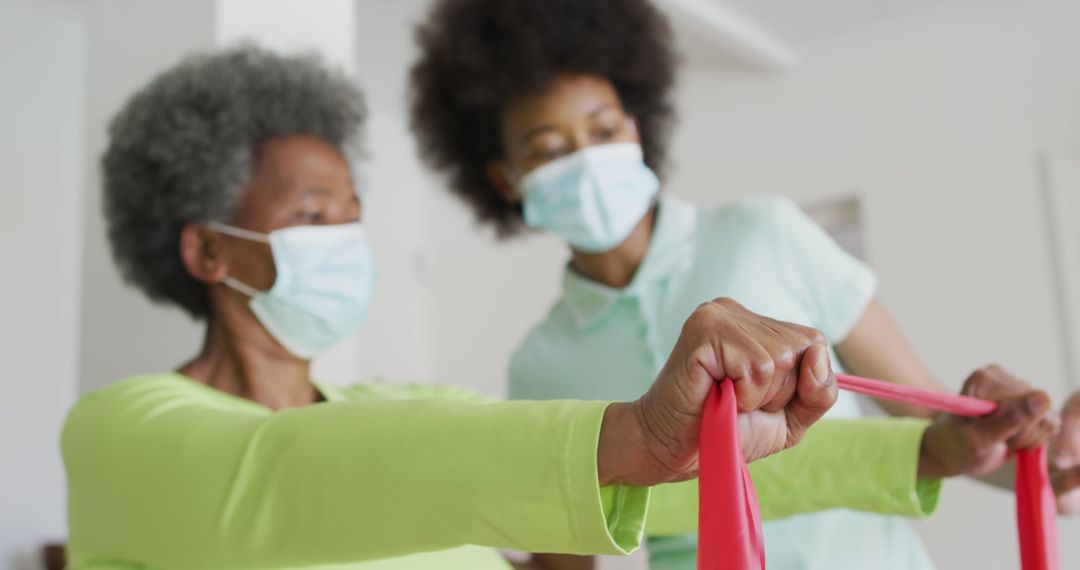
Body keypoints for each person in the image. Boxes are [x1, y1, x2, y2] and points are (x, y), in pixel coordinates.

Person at [60, 45, 973, 570]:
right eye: (310, 214)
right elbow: (290, 477)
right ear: (207, 250)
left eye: (352, 211)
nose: (344, 233)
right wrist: (629, 432)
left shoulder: (407, 408)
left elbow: (653, 489)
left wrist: (930, 448)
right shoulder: (119, 430)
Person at [407, 0, 1080, 568]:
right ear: (505, 179)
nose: (584, 159)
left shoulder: (764, 233)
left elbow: (933, 421)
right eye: (550, 149)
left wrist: (1045, 465)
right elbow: (564, 555)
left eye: (604, 129)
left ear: (636, 130)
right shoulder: (539, 365)